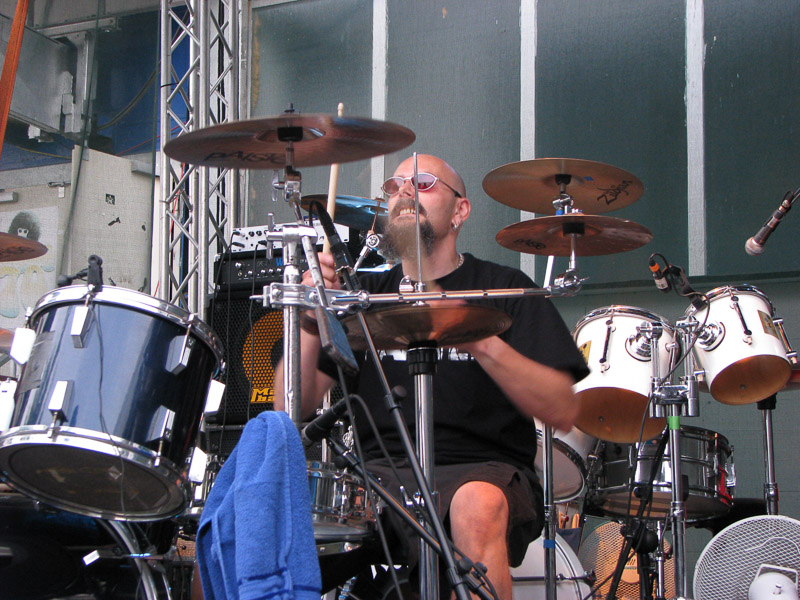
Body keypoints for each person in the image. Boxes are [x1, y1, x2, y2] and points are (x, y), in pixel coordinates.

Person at [275, 154, 589, 599]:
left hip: (484, 470)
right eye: (394, 186)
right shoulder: (363, 296)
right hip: (376, 478)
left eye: (423, 183)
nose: (404, 192)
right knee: (253, 514)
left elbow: (562, 408)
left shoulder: (504, 288)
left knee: (476, 504)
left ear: (460, 210)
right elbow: (291, 407)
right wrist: (310, 318)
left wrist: (476, 336)